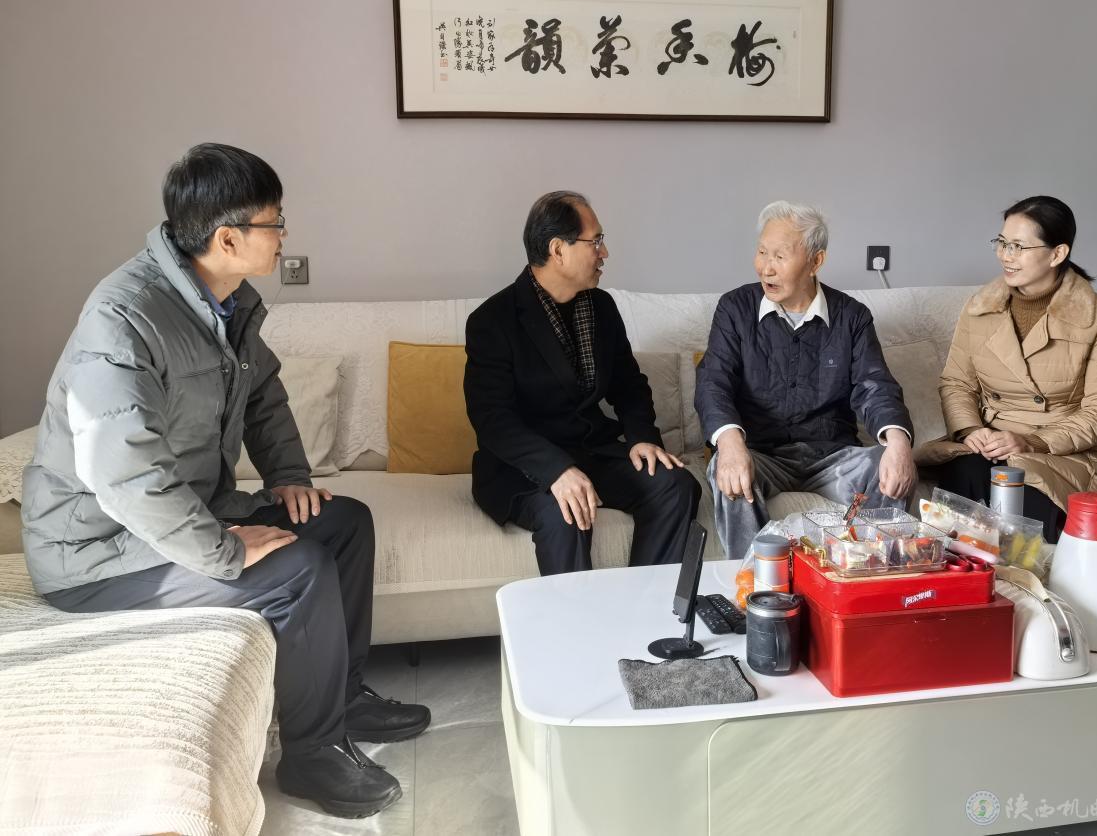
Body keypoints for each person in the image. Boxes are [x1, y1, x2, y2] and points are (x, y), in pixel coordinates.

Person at [20, 143, 429, 819]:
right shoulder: (122, 318)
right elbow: (122, 473)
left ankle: (343, 697)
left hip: (190, 511)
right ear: (228, 238)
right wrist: (224, 549)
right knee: (299, 568)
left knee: (343, 521)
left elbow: (263, 393)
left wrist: (290, 476)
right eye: (276, 222)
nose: (285, 235)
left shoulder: (226, 301)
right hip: (96, 553)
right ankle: (313, 755)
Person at [464, 190, 699, 576]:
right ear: (558, 250)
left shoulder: (601, 307)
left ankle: (645, 605)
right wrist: (556, 471)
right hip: (523, 468)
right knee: (565, 513)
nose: (604, 253)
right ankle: (574, 617)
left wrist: (642, 437)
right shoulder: (492, 321)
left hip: (593, 452)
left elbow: (628, 384)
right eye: (596, 241)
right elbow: (491, 419)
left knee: (675, 485)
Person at [694, 201, 917, 559]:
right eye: (762, 252)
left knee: (886, 463)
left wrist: (898, 442)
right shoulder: (735, 309)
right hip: (760, 453)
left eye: (780, 256)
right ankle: (757, 579)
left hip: (832, 455)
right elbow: (713, 381)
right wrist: (730, 444)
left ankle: (865, 571)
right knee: (728, 470)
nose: (766, 267)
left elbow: (874, 386)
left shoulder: (852, 317)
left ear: (815, 262)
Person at [919, 195, 1097, 542]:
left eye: (1018, 246)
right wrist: (971, 429)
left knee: (1026, 499)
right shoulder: (979, 307)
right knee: (962, 475)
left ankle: (1030, 576)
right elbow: (957, 382)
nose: (1005, 255)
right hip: (989, 441)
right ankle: (956, 572)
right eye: (1002, 243)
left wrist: (1032, 442)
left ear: (1057, 254)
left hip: (1060, 449)